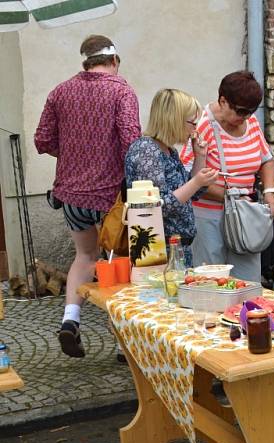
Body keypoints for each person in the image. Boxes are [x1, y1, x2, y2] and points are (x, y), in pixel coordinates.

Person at [34, 34, 141, 358]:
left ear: (86, 62)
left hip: (72, 196)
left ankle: (70, 319)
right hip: (111, 197)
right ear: (114, 61)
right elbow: (131, 142)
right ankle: (124, 343)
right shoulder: (121, 91)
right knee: (120, 262)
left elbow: (43, 140)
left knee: (85, 256)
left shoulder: (60, 92)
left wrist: (73, 155)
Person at [180, 71, 274, 282]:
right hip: (210, 218)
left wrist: (270, 191)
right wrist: (231, 196)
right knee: (211, 281)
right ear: (223, 101)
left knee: (247, 282)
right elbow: (188, 178)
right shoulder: (203, 125)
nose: (245, 118)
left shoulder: (250, 123)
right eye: (241, 111)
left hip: (244, 216)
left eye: (251, 112)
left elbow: (267, 160)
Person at [125, 89, 217, 266]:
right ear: (174, 120)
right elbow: (158, 206)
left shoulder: (169, 150)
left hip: (177, 247)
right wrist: (196, 182)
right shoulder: (147, 150)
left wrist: (200, 157)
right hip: (158, 249)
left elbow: (192, 194)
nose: (195, 130)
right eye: (192, 123)